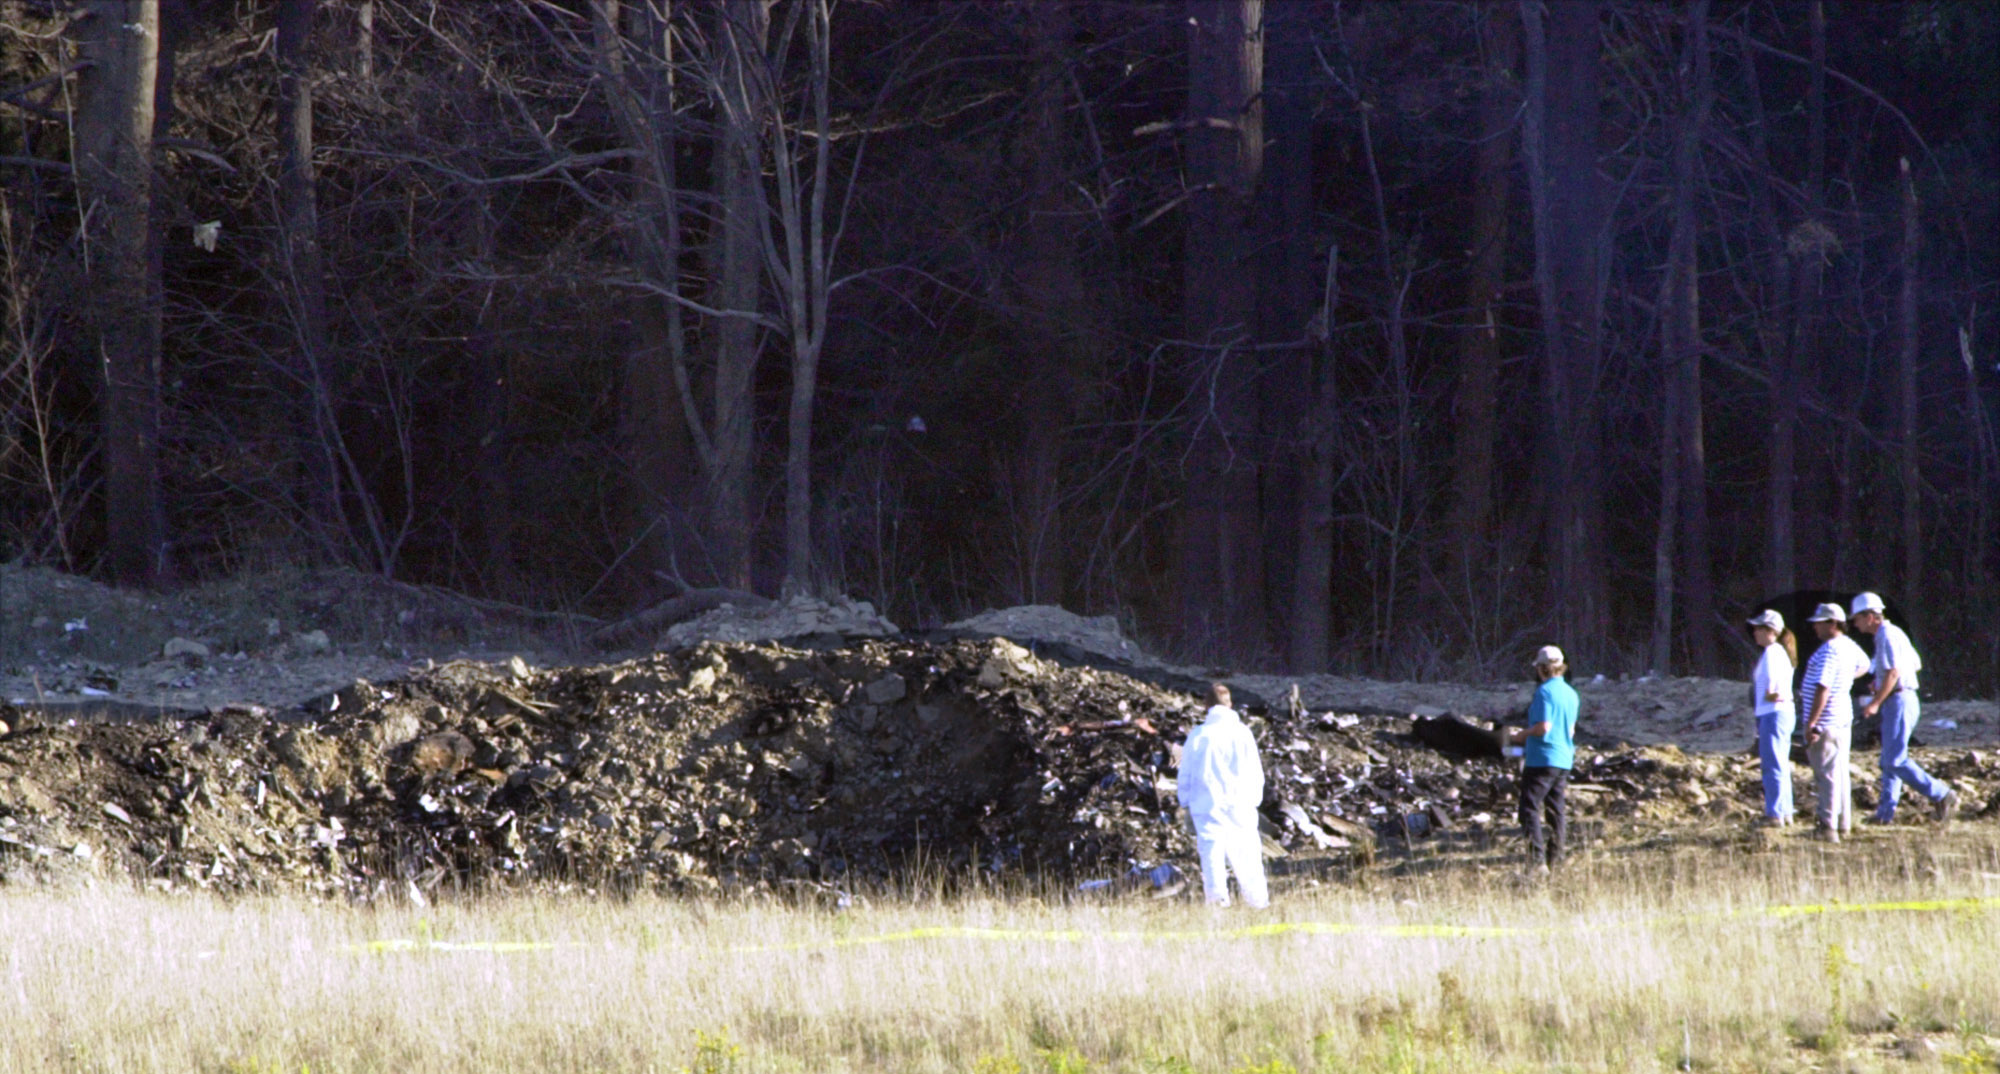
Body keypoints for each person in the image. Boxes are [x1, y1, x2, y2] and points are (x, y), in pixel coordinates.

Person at [1851, 592, 1957, 824]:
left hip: (1899, 701)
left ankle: (1942, 794)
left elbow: (1893, 673)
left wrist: (1875, 702)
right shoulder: (1893, 634)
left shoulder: (1887, 636)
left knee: (1895, 760)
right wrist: (1878, 683)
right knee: (1890, 760)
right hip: (1900, 699)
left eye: (1857, 618)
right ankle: (1884, 815)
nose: (1854, 623)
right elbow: (1912, 664)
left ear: (1870, 616)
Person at [1178, 683, 1268, 908]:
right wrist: (1254, 799)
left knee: (1211, 855)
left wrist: (1185, 802)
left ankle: (1217, 902)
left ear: (1206, 705)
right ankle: (1257, 902)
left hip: (1207, 804)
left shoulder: (1198, 736)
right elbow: (1256, 771)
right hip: (1241, 803)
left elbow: (1185, 772)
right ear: (1230, 704)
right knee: (1247, 852)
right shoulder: (1243, 734)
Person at [1801, 603, 1870, 842]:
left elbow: (1823, 687)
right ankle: (1843, 824)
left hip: (1826, 720)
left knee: (1827, 775)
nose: (1815, 627)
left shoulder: (1829, 651)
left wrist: (1812, 722)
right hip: (1842, 717)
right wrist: (1846, 677)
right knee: (1839, 772)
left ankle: (1827, 826)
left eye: (1819, 622)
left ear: (1832, 623)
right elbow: (1864, 665)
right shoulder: (1849, 647)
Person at [1506, 645, 1579, 871]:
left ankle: (1536, 863)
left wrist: (1520, 736)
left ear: (1542, 669)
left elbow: (1543, 727)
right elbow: (1571, 730)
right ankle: (1555, 859)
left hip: (1542, 758)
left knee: (1528, 808)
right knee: (1556, 811)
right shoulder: (1571, 693)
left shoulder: (1544, 692)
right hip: (1564, 758)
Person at [1745, 609, 1798, 826]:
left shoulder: (1772, 652)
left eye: (1759, 628)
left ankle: (1775, 814)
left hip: (1773, 713)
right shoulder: (1778, 652)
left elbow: (1773, 688)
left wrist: (1769, 694)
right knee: (1780, 764)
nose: (1755, 632)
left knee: (1772, 765)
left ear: (1771, 631)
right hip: (1779, 713)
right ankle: (1784, 812)